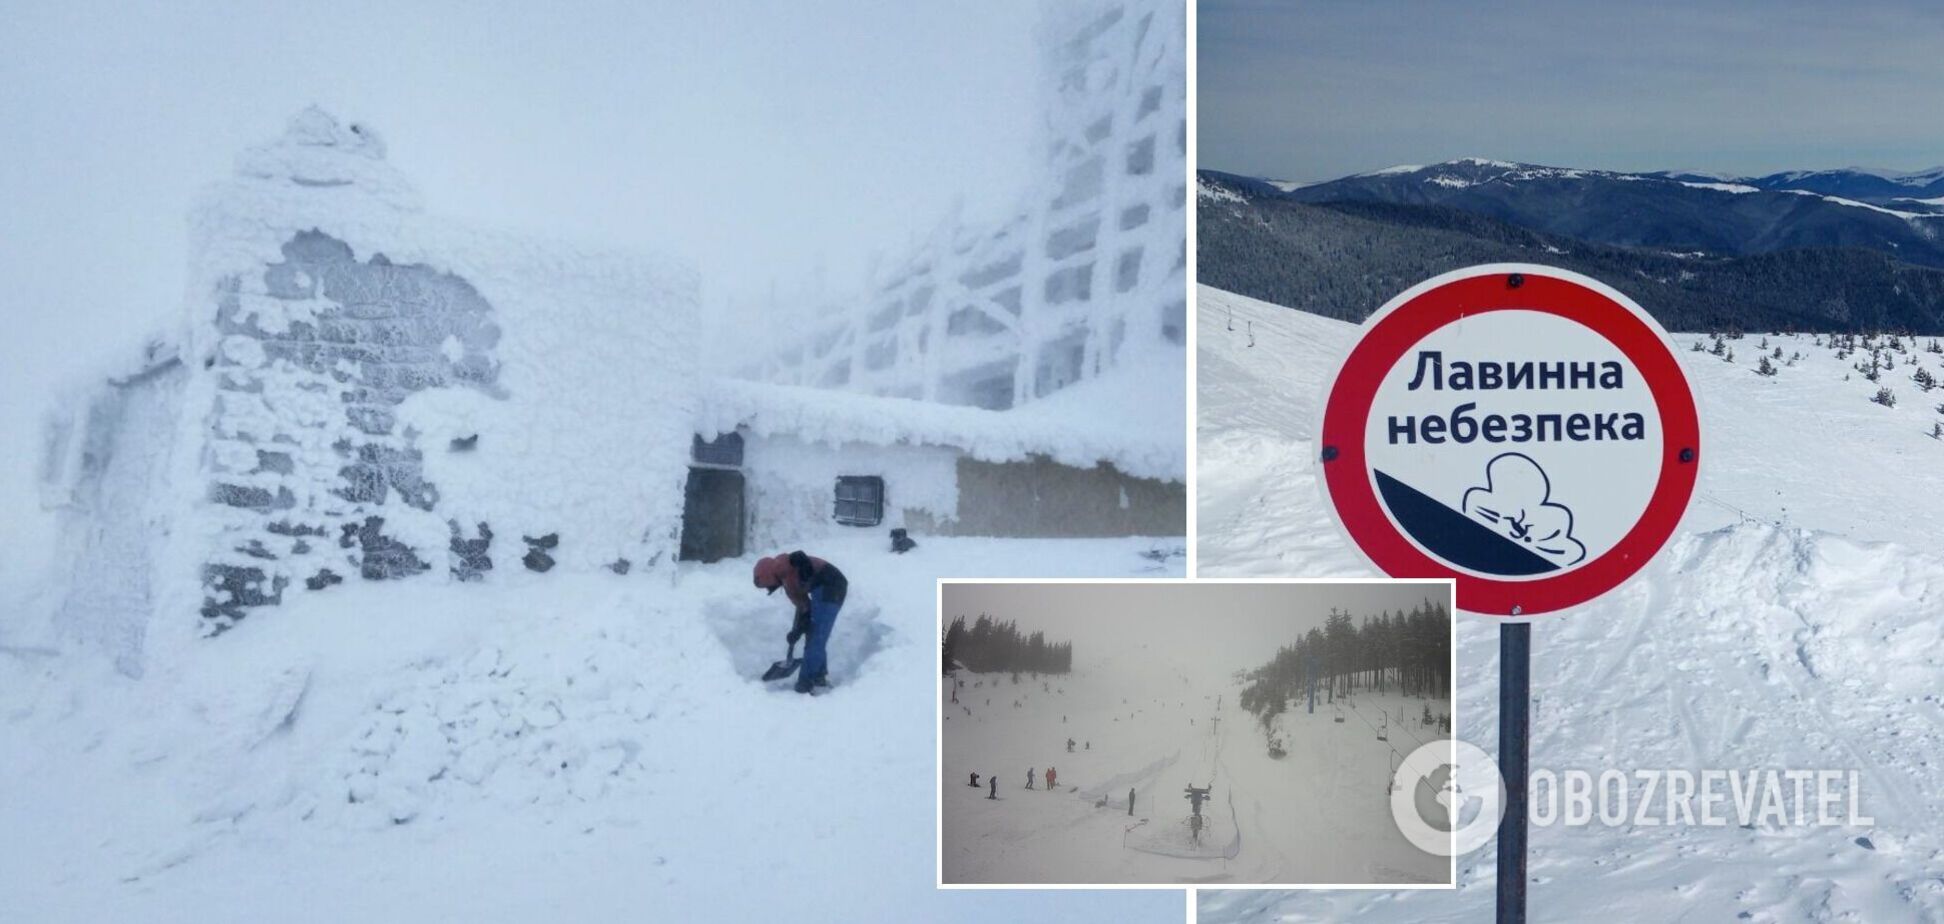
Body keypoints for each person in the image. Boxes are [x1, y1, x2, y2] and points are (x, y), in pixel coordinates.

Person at [752, 551, 848, 694]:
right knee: (812, 634)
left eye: (767, 585)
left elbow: (800, 558)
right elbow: (804, 608)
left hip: (832, 585)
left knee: (817, 636)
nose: (769, 588)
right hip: (819, 590)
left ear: (769, 576)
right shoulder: (788, 585)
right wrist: (796, 632)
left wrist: (803, 565)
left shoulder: (787, 564)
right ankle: (818, 677)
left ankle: (806, 682)